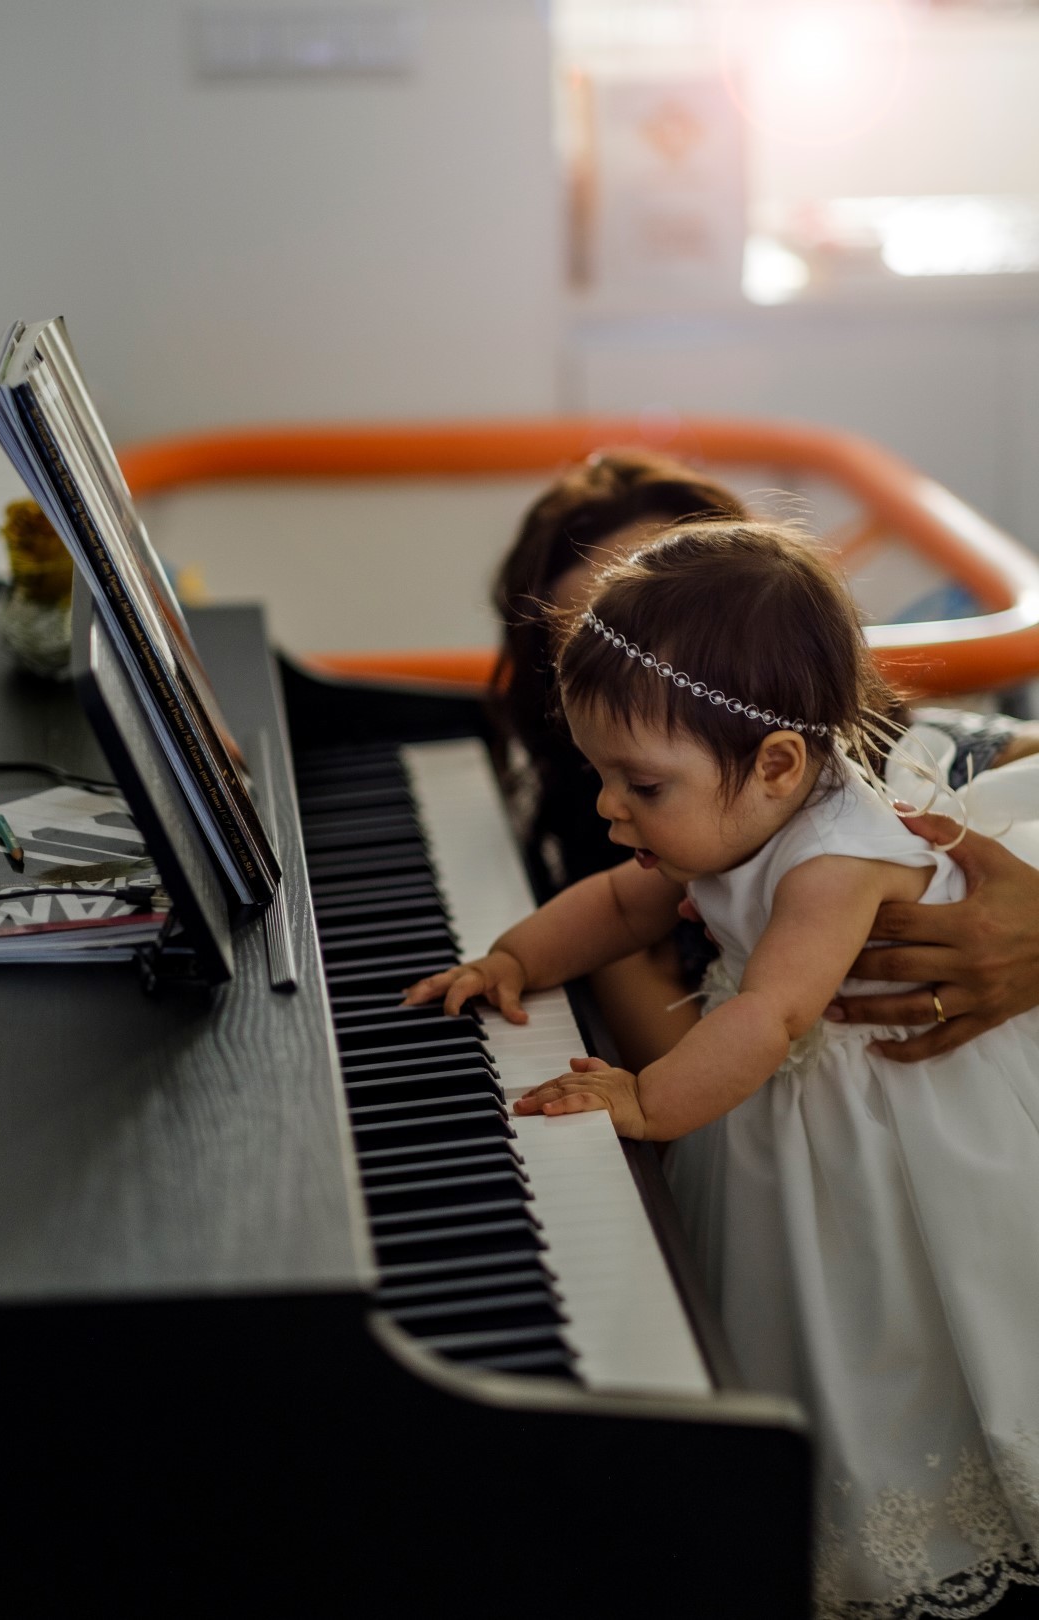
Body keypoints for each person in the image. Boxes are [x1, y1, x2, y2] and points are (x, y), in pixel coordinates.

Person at [407, 521, 1039, 1617]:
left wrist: (649, 1101)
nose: (610, 809)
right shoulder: (734, 811)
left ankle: (907, 1510)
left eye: (638, 785)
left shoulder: (836, 861)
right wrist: (511, 958)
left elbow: (769, 1012)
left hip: (882, 1127)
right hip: (788, 1113)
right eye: (601, 775)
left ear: (779, 765)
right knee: (769, 1295)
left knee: (879, 1324)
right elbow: (614, 906)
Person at [490, 449, 1039, 1071]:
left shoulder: (929, 763)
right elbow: (689, 1129)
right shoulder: (633, 869)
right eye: (599, 635)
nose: (634, 666)